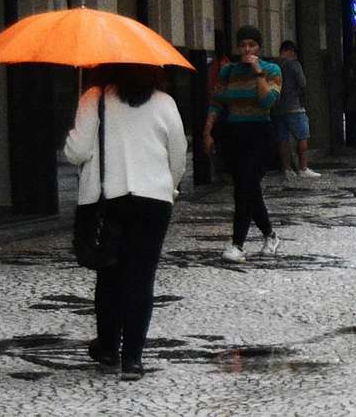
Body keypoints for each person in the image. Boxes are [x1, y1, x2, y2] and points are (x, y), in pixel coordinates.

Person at [64, 65, 187, 381]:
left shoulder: (95, 97)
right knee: (141, 277)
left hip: (110, 199)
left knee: (109, 275)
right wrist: (168, 186)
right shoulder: (164, 102)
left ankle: (107, 348)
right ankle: (133, 359)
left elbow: (76, 153)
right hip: (154, 201)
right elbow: (178, 154)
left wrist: (72, 136)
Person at [203, 25, 282, 263]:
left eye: (252, 45)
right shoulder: (228, 71)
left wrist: (258, 72)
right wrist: (207, 132)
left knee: (244, 188)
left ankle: (237, 244)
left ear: (259, 47)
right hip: (235, 133)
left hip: (260, 133)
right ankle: (270, 235)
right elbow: (217, 102)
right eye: (243, 45)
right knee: (248, 188)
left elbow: (268, 100)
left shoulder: (272, 70)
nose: (247, 49)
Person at [273, 40, 320, 179]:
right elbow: (303, 82)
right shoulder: (294, 64)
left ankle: (287, 169)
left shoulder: (273, 64)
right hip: (294, 106)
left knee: (283, 139)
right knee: (302, 136)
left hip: (277, 107)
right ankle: (303, 167)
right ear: (291, 51)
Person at [343, 49, 356, 147]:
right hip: (353, 97)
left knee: (353, 119)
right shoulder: (351, 70)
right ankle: (353, 139)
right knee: (352, 118)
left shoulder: (353, 69)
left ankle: (353, 139)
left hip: (354, 97)